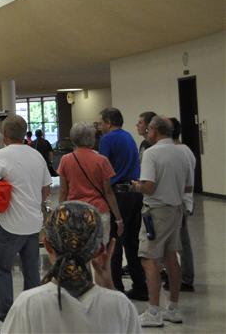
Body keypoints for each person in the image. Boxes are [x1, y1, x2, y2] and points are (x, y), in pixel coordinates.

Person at [1, 201, 141, 334]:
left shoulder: (28, 305)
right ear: (99, 250)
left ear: (47, 245)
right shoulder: (122, 306)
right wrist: (110, 289)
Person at [0, 115, 51, 334]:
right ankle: (31, 318)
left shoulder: (1, 155)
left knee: (1, 269)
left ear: (5, 135)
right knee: (32, 271)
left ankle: (4, 318)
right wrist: (34, 204)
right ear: (24, 133)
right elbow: (46, 188)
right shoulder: (36, 155)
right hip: (33, 224)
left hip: (9, 224)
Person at [130, 116, 194, 327]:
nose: (146, 132)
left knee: (149, 260)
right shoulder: (183, 152)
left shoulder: (152, 153)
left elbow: (148, 187)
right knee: (171, 257)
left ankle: (154, 311)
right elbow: (188, 186)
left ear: (155, 131)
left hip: (156, 211)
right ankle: (173, 308)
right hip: (176, 210)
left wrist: (136, 186)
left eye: (148, 129)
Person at [98, 107, 147, 299]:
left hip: (118, 194)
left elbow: (103, 167)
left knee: (114, 241)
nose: (100, 127)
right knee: (132, 242)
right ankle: (140, 285)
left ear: (109, 123)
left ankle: (116, 287)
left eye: (101, 123)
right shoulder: (128, 137)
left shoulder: (107, 139)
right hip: (134, 193)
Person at [57, 122, 124, 243]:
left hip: (75, 213)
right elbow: (108, 192)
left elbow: (63, 192)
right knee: (100, 250)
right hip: (99, 212)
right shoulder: (102, 160)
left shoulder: (65, 160)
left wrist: (59, 215)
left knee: (79, 250)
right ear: (92, 138)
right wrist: (118, 218)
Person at [168, 117, 195, 292]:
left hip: (180, 202)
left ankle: (186, 278)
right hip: (180, 201)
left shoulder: (181, 152)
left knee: (182, 243)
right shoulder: (183, 150)